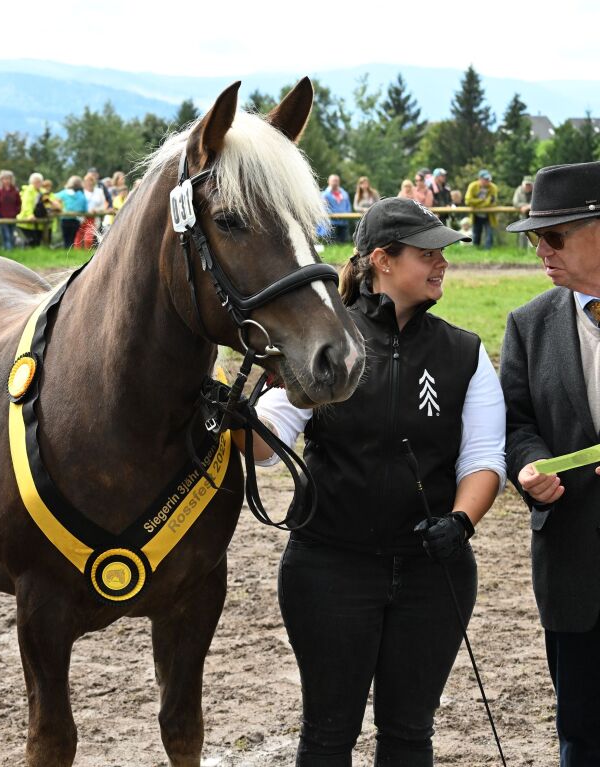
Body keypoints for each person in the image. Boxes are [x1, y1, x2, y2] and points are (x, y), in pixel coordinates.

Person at [255, 196, 505, 766]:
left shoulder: (464, 352)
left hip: (430, 572)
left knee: (410, 733)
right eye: (428, 253)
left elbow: (484, 458)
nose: (443, 264)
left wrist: (460, 521)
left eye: (443, 253)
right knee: (327, 734)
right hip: (328, 569)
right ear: (382, 261)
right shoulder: (325, 341)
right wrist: (237, 412)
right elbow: (267, 442)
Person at [501, 160, 600, 766]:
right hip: (572, 571)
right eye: (535, 237)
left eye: (554, 235)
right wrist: (531, 466)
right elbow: (516, 424)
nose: (541, 249)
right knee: (582, 737)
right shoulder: (528, 324)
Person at [465, 169, 499, 249]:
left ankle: (488, 252)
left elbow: (493, 202)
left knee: (489, 234)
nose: (488, 181)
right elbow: (468, 201)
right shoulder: (472, 186)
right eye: (486, 179)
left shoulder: (493, 187)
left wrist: (477, 204)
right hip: (476, 215)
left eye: (489, 179)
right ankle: (476, 250)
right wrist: (483, 200)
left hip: (489, 215)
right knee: (476, 234)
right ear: (480, 179)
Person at [0, 169, 21, 251]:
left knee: (12, 234)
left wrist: (16, 212)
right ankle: (8, 251)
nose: (7, 181)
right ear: (1, 180)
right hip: (2, 217)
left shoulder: (15, 190)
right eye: (5, 179)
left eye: (8, 178)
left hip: (13, 216)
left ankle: (12, 251)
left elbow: (18, 203)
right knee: (6, 235)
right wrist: (0, 212)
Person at [55, 175, 87, 249]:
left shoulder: (63, 194)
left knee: (66, 238)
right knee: (72, 239)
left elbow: (52, 198)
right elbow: (84, 209)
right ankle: (70, 253)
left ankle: (66, 253)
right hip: (76, 219)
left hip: (65, 219)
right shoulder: (81, 195)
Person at [16, 172, 45, 247]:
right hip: (26, 221)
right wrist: (30, 214)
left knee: (37, 241)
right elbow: (26, 204)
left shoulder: (42, 191)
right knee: (31, 241)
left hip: (38, 222)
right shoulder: (29, 191)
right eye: (36, 181)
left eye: (39, 182)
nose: (38, 183)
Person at [322, 173, 352, 243]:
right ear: (328, 181)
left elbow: (348, 205)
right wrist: (331, 214)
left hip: (343, 220)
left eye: (336, 180)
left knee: (343, 241)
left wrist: (347, 214)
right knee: (332, 242)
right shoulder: (325, 194)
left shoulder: (344, 193)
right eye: (333, 180)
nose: (335, 182)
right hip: (331, 221)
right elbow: (324, 206)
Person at [512, 175, 534, 249]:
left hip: (533, 216)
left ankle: (531, 251)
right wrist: (527, 206)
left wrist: (528, 206)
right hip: (523, 215)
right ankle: (521, 250)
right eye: (526, 184)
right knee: (522, 233)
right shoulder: (519, 190)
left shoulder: (535, 190)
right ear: (523, 184)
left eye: (529, 184)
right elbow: (515, 203)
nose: (528, 186)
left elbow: (538, 202)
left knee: (533, 233)